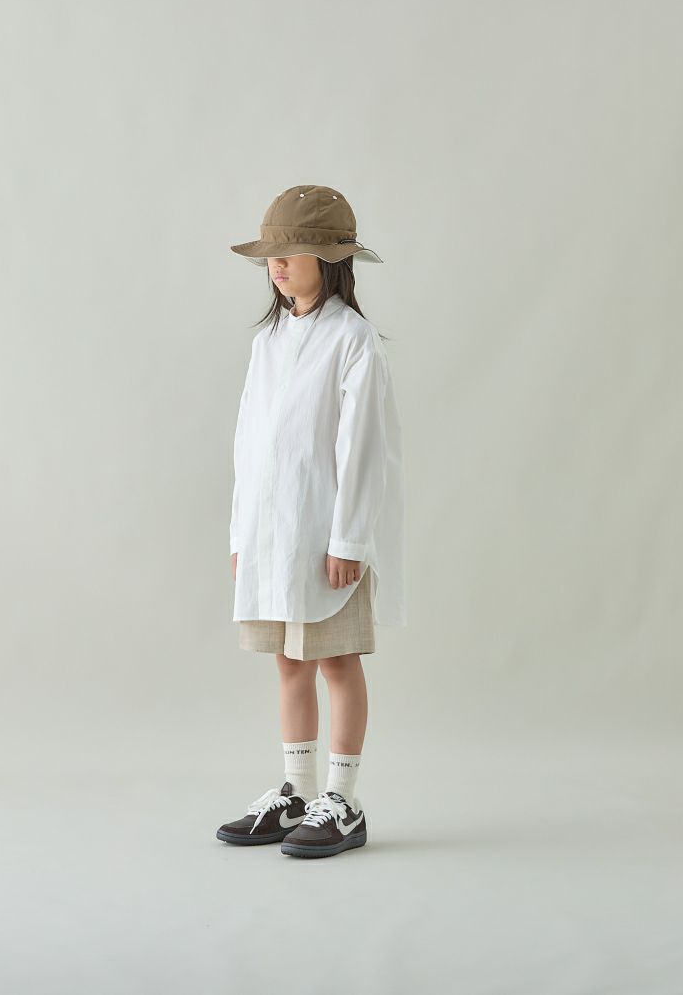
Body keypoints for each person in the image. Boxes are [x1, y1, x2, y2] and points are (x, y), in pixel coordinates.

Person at [215, 184, 406, 859]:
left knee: (337, 661)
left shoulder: (352, 341)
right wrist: (242, 535)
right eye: (272, 253)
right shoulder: (269, 342)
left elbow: (363, 449)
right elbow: (248, 443)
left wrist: (349, 538)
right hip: (273, 537)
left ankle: (342, 799)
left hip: (326, 537)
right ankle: (295, 790)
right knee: (288, 663)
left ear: (329, 258)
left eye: (292, 251)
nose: (278, 264)